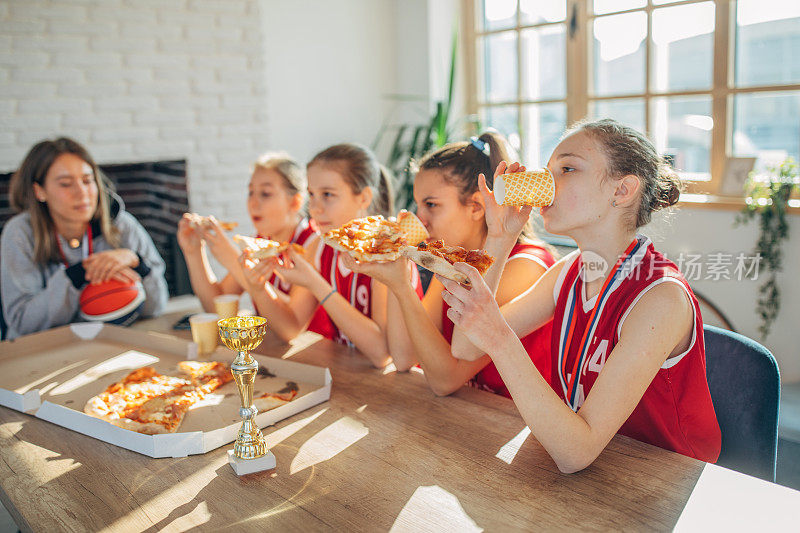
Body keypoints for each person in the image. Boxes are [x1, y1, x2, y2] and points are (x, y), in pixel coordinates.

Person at [441, 119, 721, 471]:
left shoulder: (659, 298)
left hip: (665, 477)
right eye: (547, 170)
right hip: (594, 467)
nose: (545, 182)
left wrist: (498, 336)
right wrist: (499, 237)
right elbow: (466, 348)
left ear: (622, 191)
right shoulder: (569, 271)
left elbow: (575, 453)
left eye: (568, 168)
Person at [344, 132, 556, 396]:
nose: (421, 219)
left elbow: (446, 379)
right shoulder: (454, 259)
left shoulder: (524, 266)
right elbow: (404, 357)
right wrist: (399, 280)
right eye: (419, 205)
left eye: (431, 205)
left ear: (476, 207)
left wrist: (403, 288)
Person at [241, 143, 423, 368]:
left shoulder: (386, 253)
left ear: (364, 198)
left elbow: (382, 354)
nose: (315, 208)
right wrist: (259, 287)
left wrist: (318, 285)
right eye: (312, 194)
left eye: (328, 194)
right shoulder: (319, 246)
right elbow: (291, 328)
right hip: (348, 374)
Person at [1, 137, 168, 340]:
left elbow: (157, 306)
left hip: (107, 341)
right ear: (40, 191)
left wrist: (138, 263)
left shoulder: (121, 223)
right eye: (65, 184)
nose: (82, 193)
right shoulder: (19, 233)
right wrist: (77, 275)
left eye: (88, 181)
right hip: (41, 349)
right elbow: (21, 321)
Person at [177, 152, 317, 338]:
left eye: (265, 194)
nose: (253, 203)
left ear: (295, 201)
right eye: (251, 192)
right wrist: (194, 251)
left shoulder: (312, 244)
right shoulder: (260, 242)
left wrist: (234, 260)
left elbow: (290, 328)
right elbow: (216, 306)